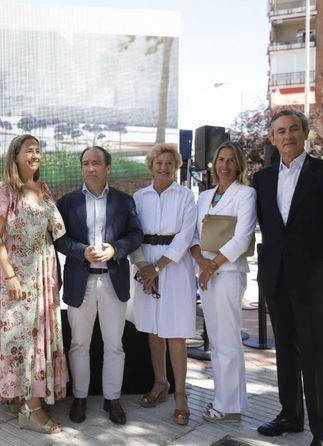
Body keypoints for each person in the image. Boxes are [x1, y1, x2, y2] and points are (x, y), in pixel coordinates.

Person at [253, 109, 323, 446]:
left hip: (315, 281)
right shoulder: (263, 179)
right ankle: (290, 415)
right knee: (285, 352)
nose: (287, 136)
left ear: (304, 133)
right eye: (280, 131)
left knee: (316, 358)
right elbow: (269, 228)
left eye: (294, 129)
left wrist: (322, 264)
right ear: (272, 138)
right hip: (277, 279)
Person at [54, 146, 143, 425]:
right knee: (79, 344)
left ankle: (112, 399)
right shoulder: (67, 203)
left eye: (96, 163)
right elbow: (58, 239)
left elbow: (136, 234)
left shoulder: (123, 201)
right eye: (85, 163)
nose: (90, 168)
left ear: (108, 167)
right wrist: (82, 251)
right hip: (81, 281)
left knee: (114, 344)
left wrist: (115, 250)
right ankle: (80, 397)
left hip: (112, 279)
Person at [0, 134, 68, 434]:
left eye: (38, 150)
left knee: (39, 340)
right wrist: (10, 276)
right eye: (29, 151)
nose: (35, 155)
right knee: (20, 342)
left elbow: (56, 232)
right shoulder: (4, 190)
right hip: (17, 276)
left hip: (44, 275)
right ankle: (30, 410)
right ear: (15, 156)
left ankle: (29, 399)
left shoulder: (43, 188)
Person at [189, 141, 256, 422]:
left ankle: (229, 406)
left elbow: (242, 238)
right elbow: (194, 236)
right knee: (216, 341)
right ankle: (226, 401)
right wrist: (202, 265)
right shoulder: (204, 196)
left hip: (227, 275)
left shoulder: (246, 194)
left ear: (239, 164)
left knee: (227, 341)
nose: (224, 165)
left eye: (230, 160)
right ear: (214, 163)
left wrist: (211, 267)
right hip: (207, 273)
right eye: (220, 160)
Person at [130, 143, 196, 425]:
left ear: (176, 166)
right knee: (154, 330)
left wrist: (158, 268)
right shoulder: (139, 196)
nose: (164, 167)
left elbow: (185, 236)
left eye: (170, 163)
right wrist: (145, 268)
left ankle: (180, 394)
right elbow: (133, 234)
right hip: (146, 265)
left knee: (175, 331)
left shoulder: (185, 196)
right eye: (159, 163)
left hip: (175, 266)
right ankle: (160, 383)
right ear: (151, 165)